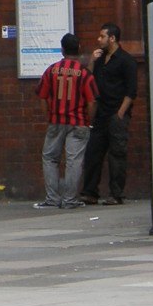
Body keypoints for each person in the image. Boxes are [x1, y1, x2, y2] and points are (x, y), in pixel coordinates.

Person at [34, 33, 97, 209]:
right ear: (79, 49)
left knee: (50, 158)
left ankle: (52, 199)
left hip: (56, 120)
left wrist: (48, 117)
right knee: (74, 161)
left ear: (62, 50)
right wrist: (89, 121)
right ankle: (70, 200)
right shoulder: (85, 74)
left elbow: (42, 96)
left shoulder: (51, 70)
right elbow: (92, 101)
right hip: (79, 122)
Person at [79, 22, 137, 205]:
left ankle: (116, 194)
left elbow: (131, 90)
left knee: (117, 155)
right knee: (93, 153)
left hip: (115, 113)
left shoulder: (126, 61)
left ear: (112, 38)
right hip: (100, 113)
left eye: (102, 36)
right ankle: (90, 192)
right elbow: (88, 81)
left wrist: (120, 113)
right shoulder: (100, 59)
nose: (98, 40)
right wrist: (91, 62)